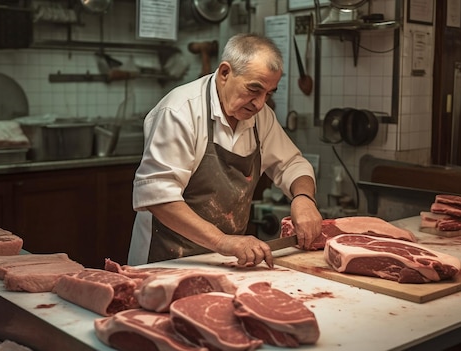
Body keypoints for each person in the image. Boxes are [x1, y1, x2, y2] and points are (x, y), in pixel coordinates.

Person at [128, 32, 322, 267]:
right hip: (167, 262)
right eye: (254, 89)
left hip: (225, 261)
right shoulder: (179, 112)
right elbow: (158, 197)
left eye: (268, 93)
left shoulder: (261, 118)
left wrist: (303, 198)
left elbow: (292, 164)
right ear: (224, 73)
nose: (260, 103)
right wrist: (222, 241)